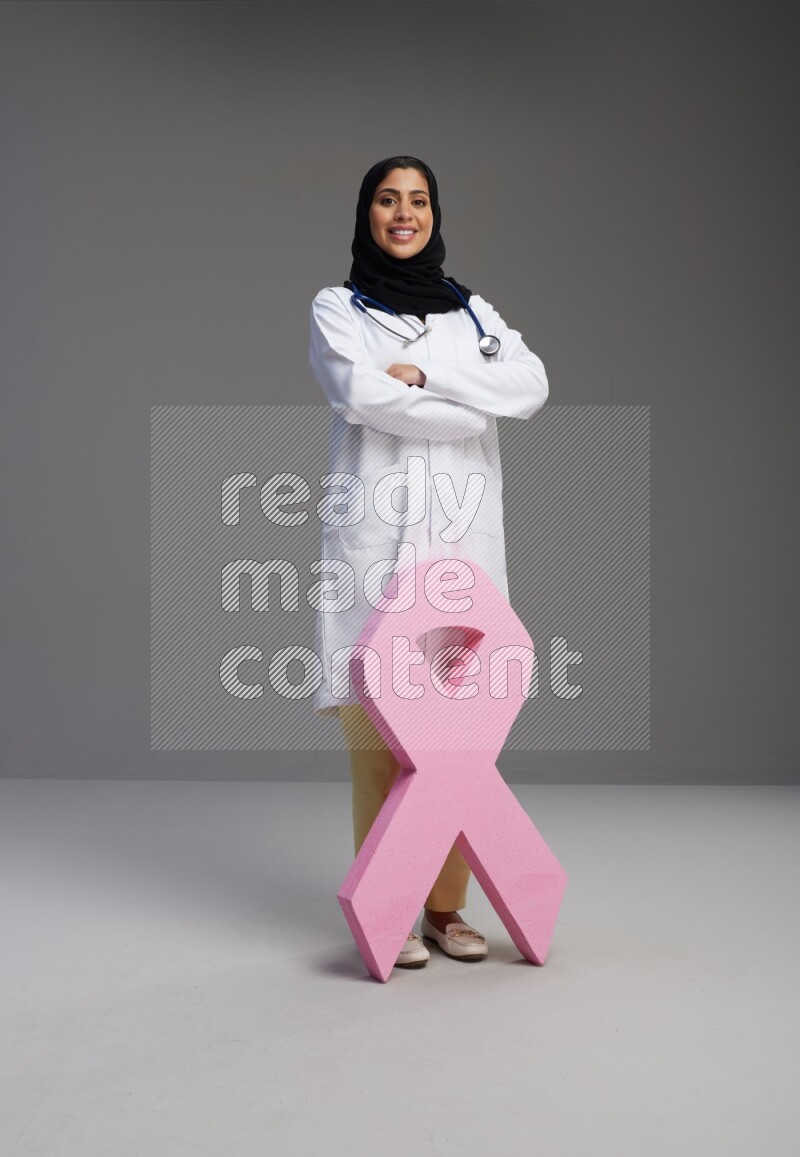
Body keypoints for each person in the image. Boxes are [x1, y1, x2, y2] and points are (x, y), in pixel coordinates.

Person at [308, 156, 549, 969]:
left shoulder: (471, 312)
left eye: (417, 200)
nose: (402, 213)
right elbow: (361, 395)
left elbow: (531, 385)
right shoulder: (338, 308)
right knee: (376, 734)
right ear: (367, 213)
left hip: (459, 544)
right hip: (375, 543)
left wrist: (436, 374)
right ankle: (395, 906)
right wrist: (468, 401)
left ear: (434, 214)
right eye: (387, 199)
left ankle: (447, 910)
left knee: (457, 739)